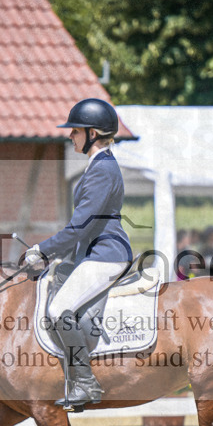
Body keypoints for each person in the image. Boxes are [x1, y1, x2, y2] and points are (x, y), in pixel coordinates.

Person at [24, 98, 132, 409]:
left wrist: (42, 250)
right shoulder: (98, 165)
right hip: (93, 251)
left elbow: (81, 225)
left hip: (106, 253)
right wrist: (58, 258)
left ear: (93, 133)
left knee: (59, 310)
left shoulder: (102, 169)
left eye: (76, 130)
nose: (70, 135)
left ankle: (85, 383)